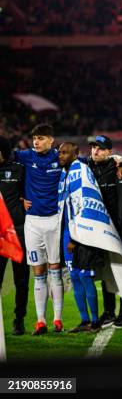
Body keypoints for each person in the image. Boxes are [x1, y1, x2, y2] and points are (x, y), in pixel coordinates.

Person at [15, 124, 64, 335]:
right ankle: (41, 320)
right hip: (32, 222)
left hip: (54, 220)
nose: (36, 142)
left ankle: (58, 320)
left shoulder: (61, 158)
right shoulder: (26, 156)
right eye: (34, 138)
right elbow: (6, 158)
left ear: (51, 140)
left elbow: (87, 164)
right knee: (38, 271)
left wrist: (119, 162)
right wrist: (18, 197)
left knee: (55, 270)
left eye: (41, 138)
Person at [86, 135, 122, 328]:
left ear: (109, 152)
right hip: (99, 229)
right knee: (105, 273)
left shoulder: (118, 167)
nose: (95, 151)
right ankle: (109, 311)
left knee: (120, 271)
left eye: (100, 148)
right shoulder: (86, 167)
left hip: (118, 228)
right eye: (93, 147)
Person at [58, 142, 101, 333]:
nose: (60, 156)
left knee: (85, 277)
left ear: (75, 154)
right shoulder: (63, 173)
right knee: (74, 276)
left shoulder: (82, 171)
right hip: (67, 232)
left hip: (83, 233)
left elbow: (86, 204)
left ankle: (95, 321)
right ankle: (84, 321)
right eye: (59, 153)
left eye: (65, 153)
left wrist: (76, 238)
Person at [0, 136, 29, 336]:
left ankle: (19, 320)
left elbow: (29, 192)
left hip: (19, 231)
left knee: (21, 280)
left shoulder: (19, 169)